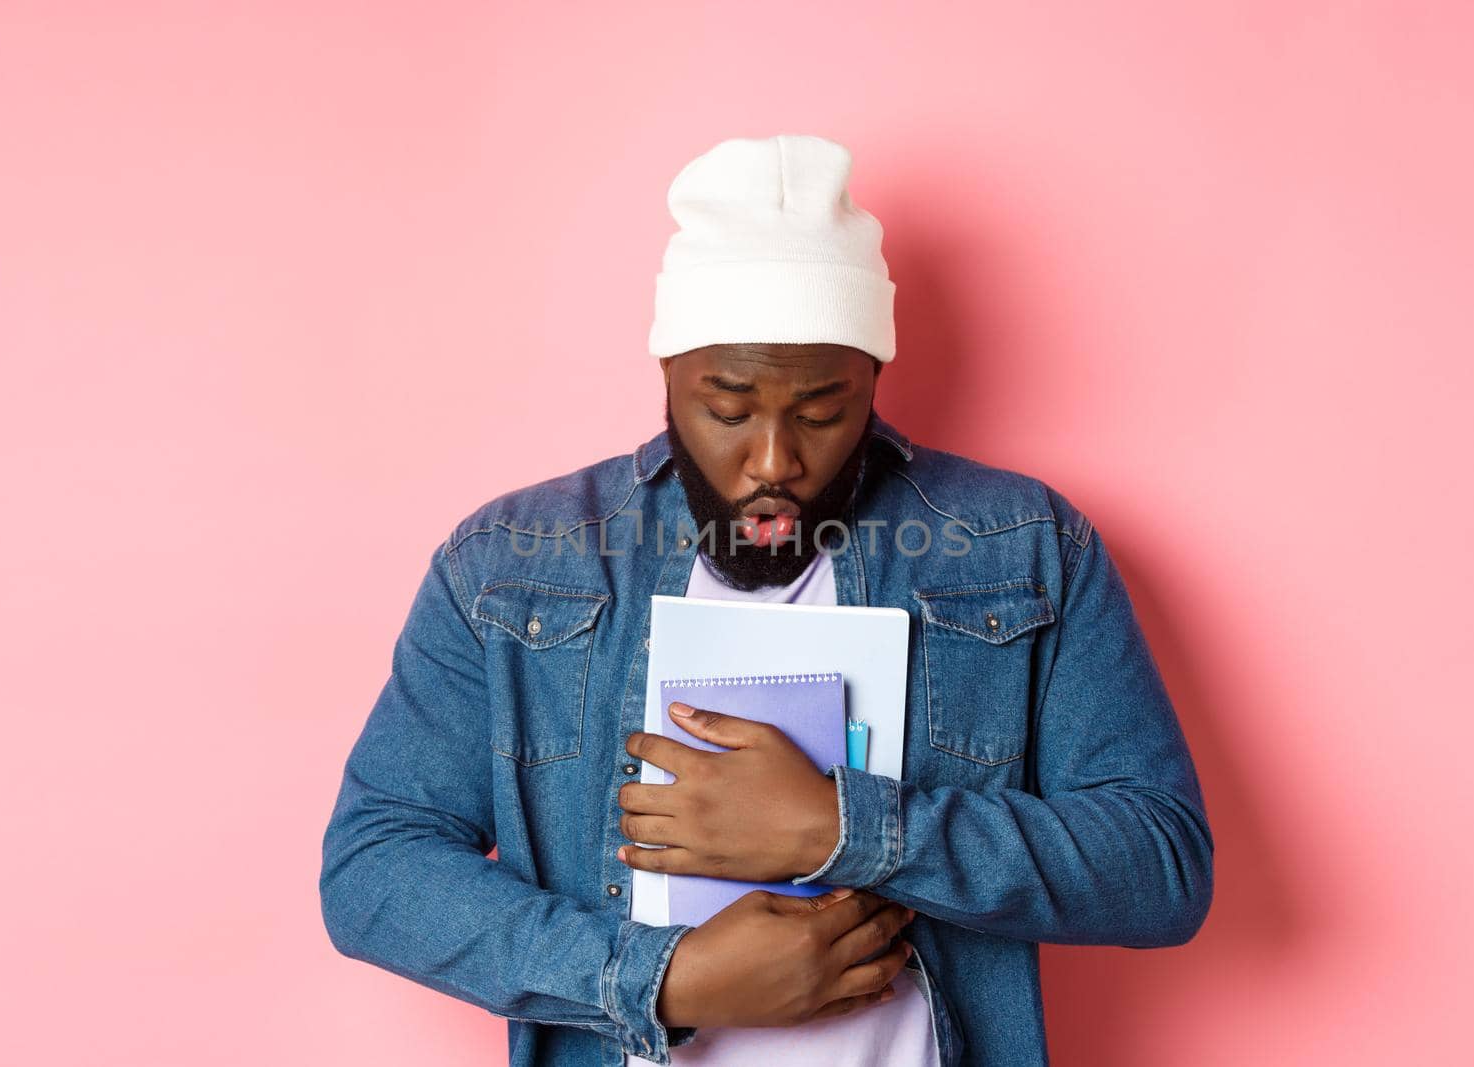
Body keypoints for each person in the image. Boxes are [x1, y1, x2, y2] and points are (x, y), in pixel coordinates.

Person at [319, 134, 1214, 1067]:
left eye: (824, 411)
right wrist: (666, 979)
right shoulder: (513, 564)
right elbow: (374, 867)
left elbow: (1160, 864)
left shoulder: (1021, 546)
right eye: (730, 406)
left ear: (875, 382)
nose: (775, 460)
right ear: (668, 375)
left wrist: (843, 826)